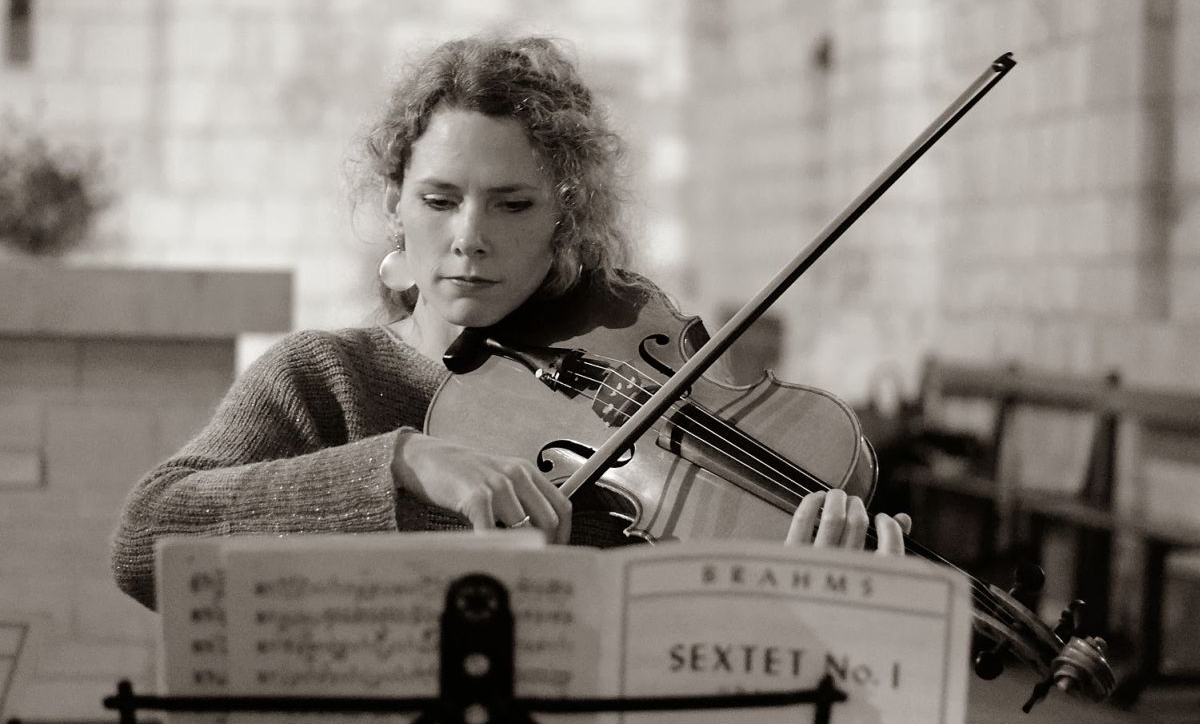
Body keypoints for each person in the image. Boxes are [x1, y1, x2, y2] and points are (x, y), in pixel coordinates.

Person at [112, 35, 909, 610]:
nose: (470, 237)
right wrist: (403, 461)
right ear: (394, 205)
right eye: (439, 199)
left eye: (513, 204)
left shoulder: (633, 392)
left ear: (566, 217)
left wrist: (798, 594)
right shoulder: (326, 378)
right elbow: (147, 538)